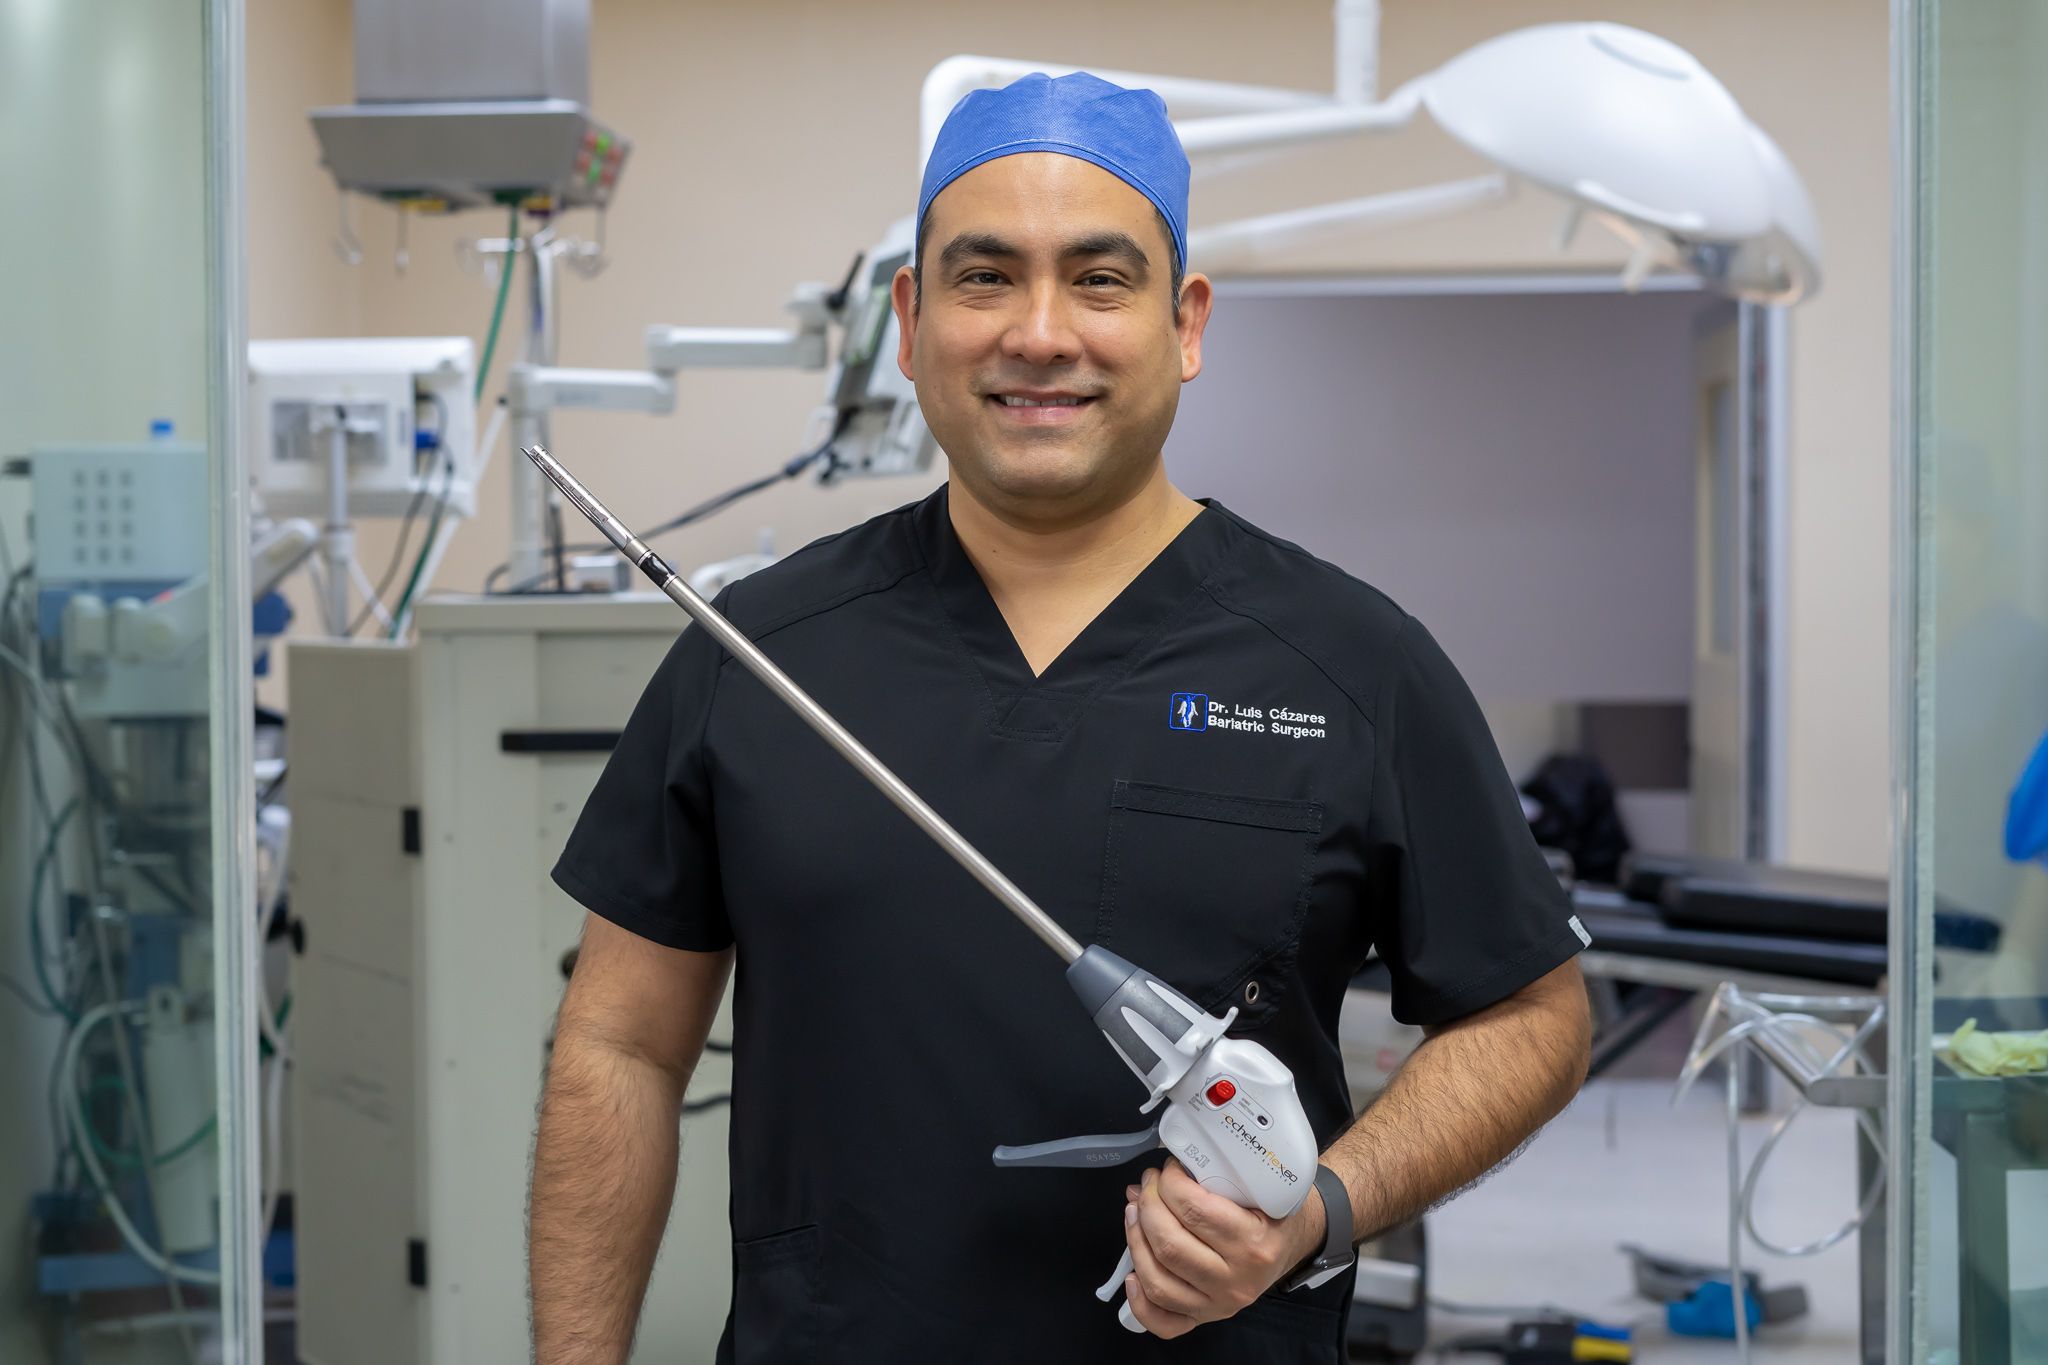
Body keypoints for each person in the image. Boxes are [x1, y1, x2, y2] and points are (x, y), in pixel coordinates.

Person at [530, 71, 1591, 1364]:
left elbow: (1531, 1016)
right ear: (911, 320)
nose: (1040, 334)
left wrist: (1326, 1205)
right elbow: (620, 1046)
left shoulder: (1353, 665)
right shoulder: (755, 653)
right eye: (985, 278)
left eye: (1099, 280)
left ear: (1185, 324)